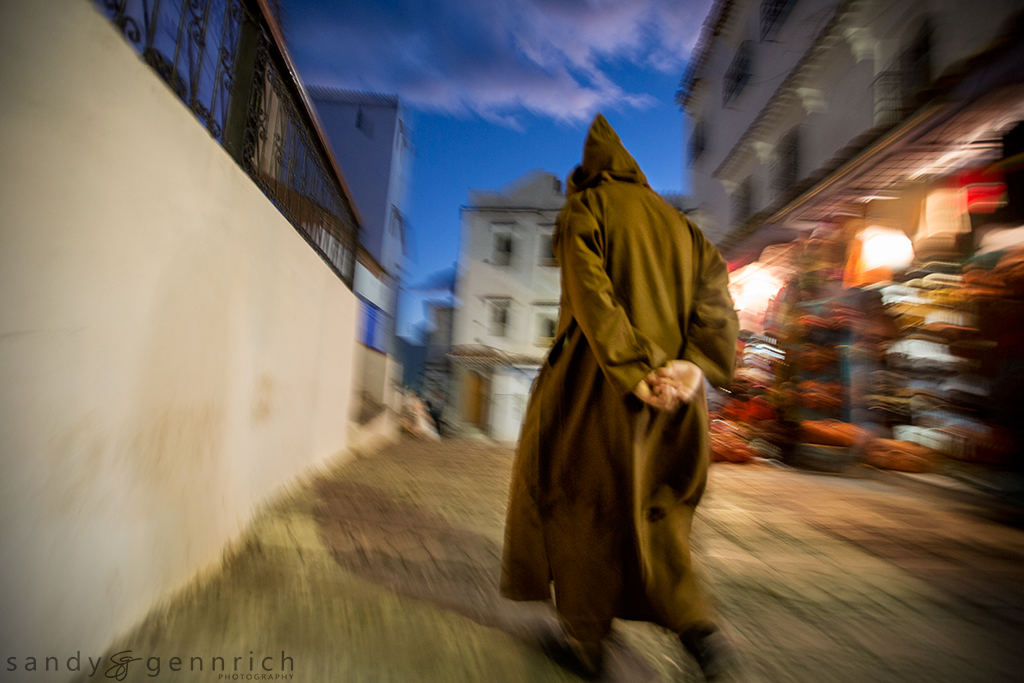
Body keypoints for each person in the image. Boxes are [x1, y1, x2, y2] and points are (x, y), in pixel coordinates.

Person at [500, 114, 739, 679]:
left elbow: (591, 295)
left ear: (590, 174)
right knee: (662, 515)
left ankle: (586, 644)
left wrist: (633, 372)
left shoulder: (587, 208)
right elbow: (720, 311)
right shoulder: (687, 231)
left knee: (583, 508)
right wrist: (692, 367)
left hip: (598, 391)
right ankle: (700, 632)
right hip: (678, 402)